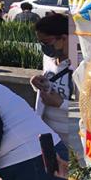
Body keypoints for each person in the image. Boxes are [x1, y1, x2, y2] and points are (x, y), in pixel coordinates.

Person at [31, 14, 74, 144]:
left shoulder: (83, 65)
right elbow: (50, 83)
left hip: (71, 136)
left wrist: (61, 104)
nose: (44, 47)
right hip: (47, 131)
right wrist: (36, 82)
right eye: (41, 42)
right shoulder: (49, 58)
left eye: (47, 42)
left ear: (64, 38)